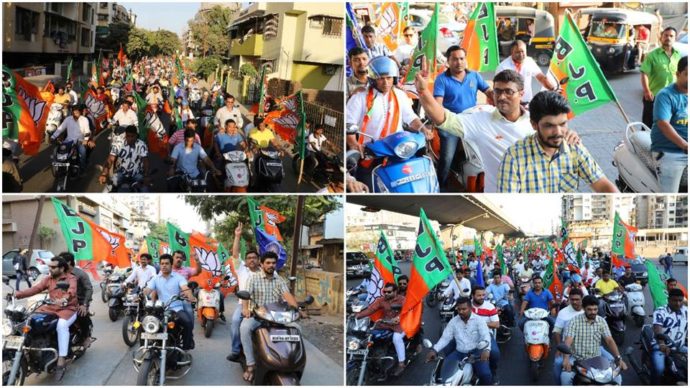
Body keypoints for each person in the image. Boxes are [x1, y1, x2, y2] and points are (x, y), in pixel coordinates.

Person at [417, 69, 581, 193]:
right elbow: (443, 118)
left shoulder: (537, 123)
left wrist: (569, 138)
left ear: (521, 94)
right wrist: (423, 92)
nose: (502, 97)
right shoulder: (480, 121)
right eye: (498, 91)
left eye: (508, 92)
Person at [498, 91, 618, 193]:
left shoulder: (574, 148)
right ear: (534, 125)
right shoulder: (514, 157)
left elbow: (602, 185)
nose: (558, 132)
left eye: (562, 124)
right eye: (549, 126)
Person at [433, 46, 493, 188]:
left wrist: (501, 100)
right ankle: (440, 185)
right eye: (455, 59)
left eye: (461, 58)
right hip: (450, 123)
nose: (459, 62)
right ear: (448, 61)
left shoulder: (474, 76)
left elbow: (489, 91)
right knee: (447, 158)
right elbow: (437, 105)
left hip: (472, 121)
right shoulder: (441, 80)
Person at [346, 56, 429, 157]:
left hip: (399, 149)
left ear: (394, 79)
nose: (385, 83)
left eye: (389, 78)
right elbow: (349, 124)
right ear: (372, 80)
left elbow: (410, 118)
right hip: (370, 152)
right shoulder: (359, 97)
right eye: (381, 78)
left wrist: (424, 130)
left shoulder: (400, 95)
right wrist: (353, 143)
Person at [240, 252, 304, 382]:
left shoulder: (279, 280)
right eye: (268, 263)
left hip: (277, 317)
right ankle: (250, 365)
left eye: (273, 263)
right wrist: (245, 309)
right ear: (262, 264)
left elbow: (287, 296)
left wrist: (298, 309)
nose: (271, 265)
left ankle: (290, 359)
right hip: (258, 316)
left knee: (297, 329)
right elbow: (246, 295)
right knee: (244, 328)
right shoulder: (253, 278)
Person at [11, 257, 77, 380]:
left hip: (68, 309)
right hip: (51, 308)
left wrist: (65, 298)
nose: (50, 269)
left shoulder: (70, 278)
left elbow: (71, 291)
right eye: (49, 266)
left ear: (62, 268)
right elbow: (35, 289)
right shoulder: (48, 279)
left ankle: (61, 360)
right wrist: (17, 294)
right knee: (30, 319)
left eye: (53, 267)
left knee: (61, 325)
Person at [560, 295, 627, 385]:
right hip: (577, 358)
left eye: (595, 309)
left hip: (597, 358)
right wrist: (566, 359)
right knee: (565, 377)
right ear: (583, 308)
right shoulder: (574, 321)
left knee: (617, 377)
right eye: (590, 309)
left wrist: (619, 358)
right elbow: (568, 341)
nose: (593, 312)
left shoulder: (601, 321)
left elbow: (609, 340)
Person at [426, 297, 493, 386]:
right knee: (443, 372)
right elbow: (445, 338)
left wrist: (486, 350)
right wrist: (434, 350)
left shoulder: (479, 320)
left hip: (476, 353)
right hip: (459, 353)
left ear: (470, 308)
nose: (461, 311)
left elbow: (485, 336)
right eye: (459, 309)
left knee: (485, 375)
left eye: (464, 309)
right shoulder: (453, 322)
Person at [552, 289, 615, 385]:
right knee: (559, 365)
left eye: (577, 299)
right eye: (572, 299)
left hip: (595, 348)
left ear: (582, 300)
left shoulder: (594, 313)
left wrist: (619, 358)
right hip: (572, 349)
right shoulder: (564, 314)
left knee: (613, 363)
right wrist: (560, 348)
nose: (574, 302)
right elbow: (557, 332)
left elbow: (609, 340)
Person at [651, 55, 687, 193]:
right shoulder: (666, 95)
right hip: (671, 152)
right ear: (678, 74)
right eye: (687, 74)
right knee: (669, 200)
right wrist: (685, 146)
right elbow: (663, 124)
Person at [145, 254, 196, 350]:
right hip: (160, 310)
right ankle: (145, 347)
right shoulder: (155, 278)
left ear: (171, 265)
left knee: (188, 323)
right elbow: (148, 289)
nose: (164, 265)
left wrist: (190, 296)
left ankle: (186, 348)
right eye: (162, 263)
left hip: (176, 309)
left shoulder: (178, 277)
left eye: (166, 263)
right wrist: (144, 291)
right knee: (143, 324)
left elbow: (185, 288)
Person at [226, 223, 260, 362]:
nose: (252, 260)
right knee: (235, 322)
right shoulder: (242, 270)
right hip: (243, 304)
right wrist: (237, 236)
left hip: (262, 305)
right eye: (249, 258)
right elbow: (235, 254)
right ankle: (235, 351)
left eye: (254, 258)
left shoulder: (265, 272)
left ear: (259, 260)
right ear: (245, 261)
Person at [640, 27, 681, 129]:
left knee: (668, 125)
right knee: (648, 124)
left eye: (671, 36)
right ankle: (645, 144)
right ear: (661, 38)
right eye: (666, 35)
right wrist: (646, 91)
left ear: (675, 38)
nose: (668, 38)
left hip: (672, 97)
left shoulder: (677, 55)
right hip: (654, 96)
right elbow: (644, 73)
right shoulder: (652, 55)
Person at [495, 40, 555, 105]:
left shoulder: (529, 61)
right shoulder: (503, 67)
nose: (521, 55)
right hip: (510, 104)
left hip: (527, 103)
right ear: (512, 52)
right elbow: (497, 89)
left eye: (522, 51)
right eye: (517, 52)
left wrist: (552, 89)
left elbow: (541, 78)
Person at [650, 288, 688, 384]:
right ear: (669, 300)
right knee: (659, 369)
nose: (678, 303)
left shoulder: (686, 311)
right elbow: (657, 328)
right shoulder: (660, 311)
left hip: (679, 346)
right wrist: (662, 344)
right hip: (660, 347)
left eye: (680, 300)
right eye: (675, 300)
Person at [60, 252, 94, 348]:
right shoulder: (59, 273)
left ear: (69, 262)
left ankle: (86, 336)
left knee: (81, 313)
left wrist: (84, 304)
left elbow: (89, 289)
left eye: (61, 261)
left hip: (80, 302)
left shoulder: (80, 274)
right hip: (64, 301)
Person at [471, 286, 500, 381]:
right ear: (473, 296)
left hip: (486, 335)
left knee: (495, 353)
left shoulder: (490, 306)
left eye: (483, 295)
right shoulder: (467, 306)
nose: (482, 297)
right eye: (478, 295)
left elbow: (496, 324)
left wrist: (481, 324)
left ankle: (493, 371)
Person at [50, 105, 92, 171]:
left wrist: (85, 140)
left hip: (80, 141)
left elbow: (87, 131)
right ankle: (59, 168)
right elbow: (60, 129)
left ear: (80, 112)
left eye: (77, 113)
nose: (75, 114)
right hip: (68, 141)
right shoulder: (68, 119)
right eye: (73, 113)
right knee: (59, 151)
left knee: (83, 152)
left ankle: (82, 168)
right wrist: (53, 137)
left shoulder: (84, 120)